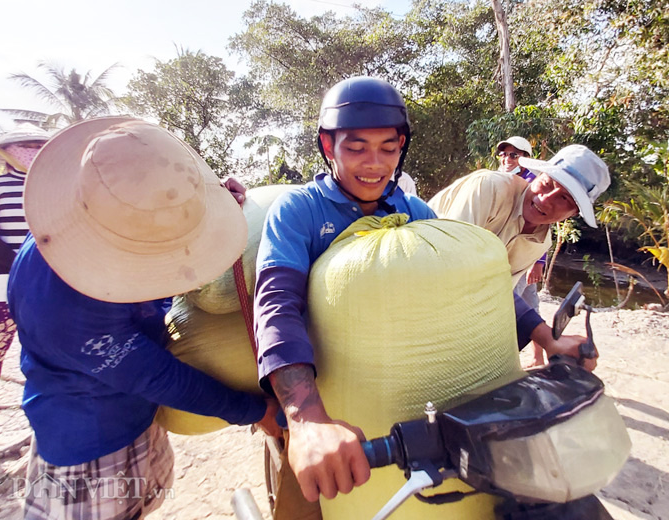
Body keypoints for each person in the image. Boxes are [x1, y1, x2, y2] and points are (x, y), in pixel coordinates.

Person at [253, 77, 593, 515]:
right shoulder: (299, 210)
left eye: (388, 148)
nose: (374, 164)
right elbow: (277, 305)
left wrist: (546, 338)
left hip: (401, 395)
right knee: (309, 506)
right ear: (327, 145)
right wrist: (305, 419)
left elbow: (476, 285)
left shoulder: (415, 212)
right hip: (319, 400)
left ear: (402, 148)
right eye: (356, 147)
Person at [8, 117, 280, 520]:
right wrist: (255, 411)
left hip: (133, 416)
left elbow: (156, 279)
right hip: (88, 448)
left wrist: (201, 210)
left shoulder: (97, 222)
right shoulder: (64, 301)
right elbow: (159, 377)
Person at [428, 144, 611, 368]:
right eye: (547, 183)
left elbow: (495, 296)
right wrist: (546, 337)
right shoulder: (489, 188)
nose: (545, 199)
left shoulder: (541, 242)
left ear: (572, 214)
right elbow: (455, 269)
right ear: (537, 176)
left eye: (564, 199)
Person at [0, 126, 50, 404]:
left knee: (47, 352)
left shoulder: (53, 188)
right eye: (26, 145)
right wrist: (20, 265)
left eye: (40, 145)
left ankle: (43, 419)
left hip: (48, 284)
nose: (34, 150)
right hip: (3, 282)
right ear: (5, 152)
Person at [496, 136, 547, 365]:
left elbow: (544, 224)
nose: (507, 158)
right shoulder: (500, 179)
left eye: (513, 155)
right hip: (504, 254)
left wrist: (539, 261)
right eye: (504, 154)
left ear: (526, 158)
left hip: (523, 256)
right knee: (529, 305)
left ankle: (509, 362)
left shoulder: (532, 182)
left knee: (509, 308)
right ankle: (538, 357)